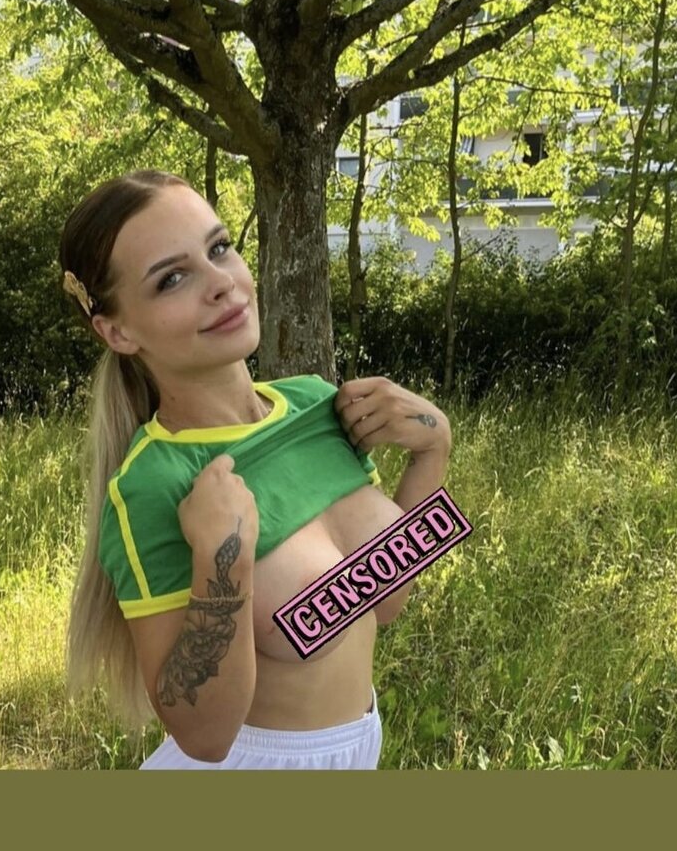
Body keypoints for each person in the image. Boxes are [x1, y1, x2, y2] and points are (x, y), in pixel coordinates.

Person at [59, 169, 451, 769]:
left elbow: (381, 602)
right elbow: (205, 737)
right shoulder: (152, 484)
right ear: (117, 330)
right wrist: (225, 562)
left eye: (219, 248)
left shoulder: (318, 404)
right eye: (171, 279)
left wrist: (433, 450)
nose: (221, 283)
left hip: (355, 751)